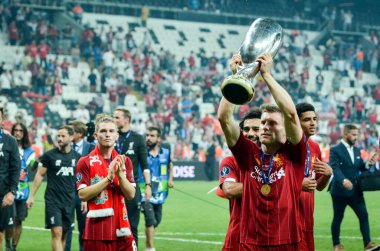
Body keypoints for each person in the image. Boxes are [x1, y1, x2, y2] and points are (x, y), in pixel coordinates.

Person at [218, 53, 307, 250]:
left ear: (285, 129)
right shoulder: (249, 154)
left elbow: (292, 115)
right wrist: (238, 77)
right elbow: (224, 118)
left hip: (286, 242)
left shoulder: (294, 154)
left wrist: (267, 75)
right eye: (264, 122)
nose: (265, 127)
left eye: (272, 123)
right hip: (250, 243)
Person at [75, 114, 136, 251]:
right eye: (103, 131)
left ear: (117, 135)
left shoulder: (125, 161)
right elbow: (83, 195)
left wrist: (120, 175)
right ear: (96, 136)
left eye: (111, 131)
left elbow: (131, 195)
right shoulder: (84, 162)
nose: (107, 134)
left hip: (123, 229)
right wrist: (108, 178)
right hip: (97, 231)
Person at [26, 126, 81, 251]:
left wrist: (83, 199)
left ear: (71, 138)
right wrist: (31, 196)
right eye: (58, 136)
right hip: (53, 200)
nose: (59, 139)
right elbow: (39, 175)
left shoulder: (77, 157)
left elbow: (80, 180)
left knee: (64, 234)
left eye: (63, 136)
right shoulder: (49, 156)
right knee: (56, 232)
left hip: (69, 200)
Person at [329, 124, 380, 251]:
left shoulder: (357, 150)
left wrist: (369, 163)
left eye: (357, 135)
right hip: (339, 192)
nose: (356, 137)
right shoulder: (335, 149)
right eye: (353, 134)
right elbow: (334, 167)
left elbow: (360, 167)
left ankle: (367, 244)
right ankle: (336, 245)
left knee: (364, 215)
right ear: (345, 134)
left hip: (356, 191)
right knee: (338, 218)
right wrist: (343, 180)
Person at [218, 108, 261, 251]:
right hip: (238, 238)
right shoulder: (230, 161)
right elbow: (229, 190)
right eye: (246, 129)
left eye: (256, 129)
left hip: (270, 236)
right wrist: (273, 184)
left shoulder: (279, 161)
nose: (250, 133)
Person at [295, 103, 332, 251]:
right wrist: (298, 183)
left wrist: (327, 175)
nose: (313, 123)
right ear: (296, 122)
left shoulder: (315, 147)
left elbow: (318, 186)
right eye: (307, 119)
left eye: (314, 119)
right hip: (290, 220)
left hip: (308, 219)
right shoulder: (287, 146)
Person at [114, 107, 152, 246]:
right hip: (113, 187)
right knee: (113, 227)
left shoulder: (138, 138)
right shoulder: (111, 136)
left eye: (117, 117)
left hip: (131, 188)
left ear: (126, 120)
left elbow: (144, 164)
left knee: (132, 226)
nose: (114, 120)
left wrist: (148, 186)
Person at [140, 127, 173, 251]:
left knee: (156, 221)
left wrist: (170, 179)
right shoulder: (142, 152)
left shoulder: (166, 152)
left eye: (152, 135)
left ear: (158, 138)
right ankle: (150, 247)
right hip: (144, 192)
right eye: (147, 135)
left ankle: (148, 243)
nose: (148, 138)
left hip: (160, 193)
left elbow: (170, 164)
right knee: (150, 219)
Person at [5, 123, 35, 251]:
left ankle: (14, 247)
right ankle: (7, 243)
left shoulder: (30, 152)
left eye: (20, 131)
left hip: (23, 192)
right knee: (10, 221)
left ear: (24, 133)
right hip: (8, 191)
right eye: (15, 130)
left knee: (19, 221)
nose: (18, 133)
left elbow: (34, 168)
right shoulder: (6, 147)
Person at [65, 120, 94, 251]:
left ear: (80, 134)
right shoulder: (65, 147)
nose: (68, 134)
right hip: (68, 193)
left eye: (71, 131)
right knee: (67, 226)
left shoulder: (91, 148)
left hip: (85, 194)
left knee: (84, 227)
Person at [0, 107, 21, 251]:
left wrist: (11, 192)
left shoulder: (10, 141)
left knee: (0, 234)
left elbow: (15, 169)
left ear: (2, 120)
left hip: (2, 194)